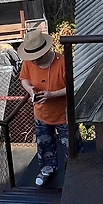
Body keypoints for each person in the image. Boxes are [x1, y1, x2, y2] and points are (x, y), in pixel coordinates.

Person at [18, 29, 67, 187]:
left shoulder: (62, 62)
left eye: (37, 58)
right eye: (31, 58)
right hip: (41, 113)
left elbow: (74, 87)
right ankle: (47, 169)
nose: (34, 61)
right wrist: (30, 89)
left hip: (64, 114)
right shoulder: (28, 62)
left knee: (71, 146)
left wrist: (52, 95)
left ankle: (76, 171)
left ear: (45, 51)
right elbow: (24, 78)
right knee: (44, 145)